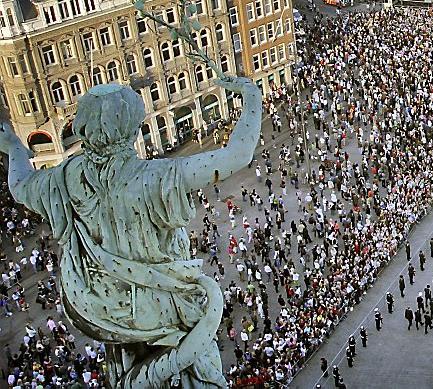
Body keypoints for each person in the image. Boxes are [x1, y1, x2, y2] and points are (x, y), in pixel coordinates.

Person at [0, 77, 262, 388]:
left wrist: (15, 149)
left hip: (110, 312)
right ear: (133, 127)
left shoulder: (65, 179)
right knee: (195, 371)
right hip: (164, 308)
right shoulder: (155, 177)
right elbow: (237, 155)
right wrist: (251, 96)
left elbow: (20, 186)